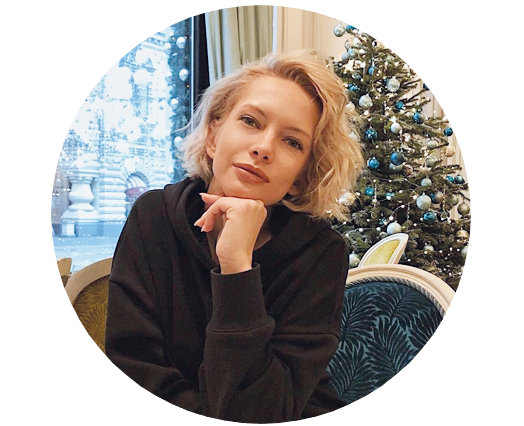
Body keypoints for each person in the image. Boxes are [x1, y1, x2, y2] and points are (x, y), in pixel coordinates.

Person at [105, 50, 364, 423]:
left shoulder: (321, 253)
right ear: (213, 135)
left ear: (301, 177)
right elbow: (134, 372)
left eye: (292, 142)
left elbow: (263, 411)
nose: (263, 148)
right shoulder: (153, 216)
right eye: (250, 121)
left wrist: (237, 269)